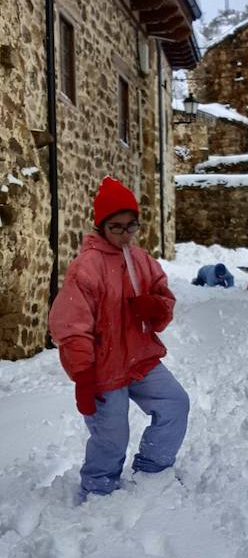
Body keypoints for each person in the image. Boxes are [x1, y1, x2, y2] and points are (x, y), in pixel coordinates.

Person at [49, 175, 189, 499]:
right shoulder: (87, 267)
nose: (126, 234)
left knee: (175, 403)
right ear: (101, 226)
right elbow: (70, 326)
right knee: (112, 434)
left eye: (132, 226)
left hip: (140, 359)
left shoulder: (140, 260)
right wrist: (83, 375)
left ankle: (153, 469)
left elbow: (163, 298)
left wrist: (155, 307)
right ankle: (99, 487)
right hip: (102, 367)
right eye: (117, 227)